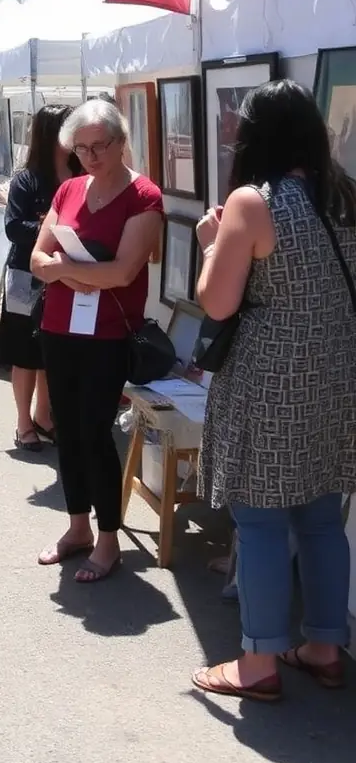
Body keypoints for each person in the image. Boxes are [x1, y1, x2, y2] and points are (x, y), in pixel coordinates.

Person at [191, 80, 356, 702]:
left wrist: (211, 247)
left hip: (270, 381)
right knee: (320, 519)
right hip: (338, 376)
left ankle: (257, 662)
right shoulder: (345, 196)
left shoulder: (252, 204)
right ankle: (323, 644)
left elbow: (217, 300)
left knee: (258, 522)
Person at [31, 96, 163, 582]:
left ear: (121, 141)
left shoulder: (143, 196)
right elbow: (36, 261)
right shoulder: (67, 191)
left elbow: (125, 271)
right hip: (59, 329)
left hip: (108, 334)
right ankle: (77, 527)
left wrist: (65, 269)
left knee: (95, 433)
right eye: (80, 148)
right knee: (65, 431)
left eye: (99, 146)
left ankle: (108, 538)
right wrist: (74, 272)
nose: (89, 156)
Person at [0, 106, 83, 451]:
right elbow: (14, 227)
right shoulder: (27, 179)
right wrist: (56, 232)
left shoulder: (81, 173)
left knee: (54, 351)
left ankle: (44, 416)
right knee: (25, 353)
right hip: (26, 275)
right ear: (52, 133)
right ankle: (23, 423)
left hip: (67, 275)